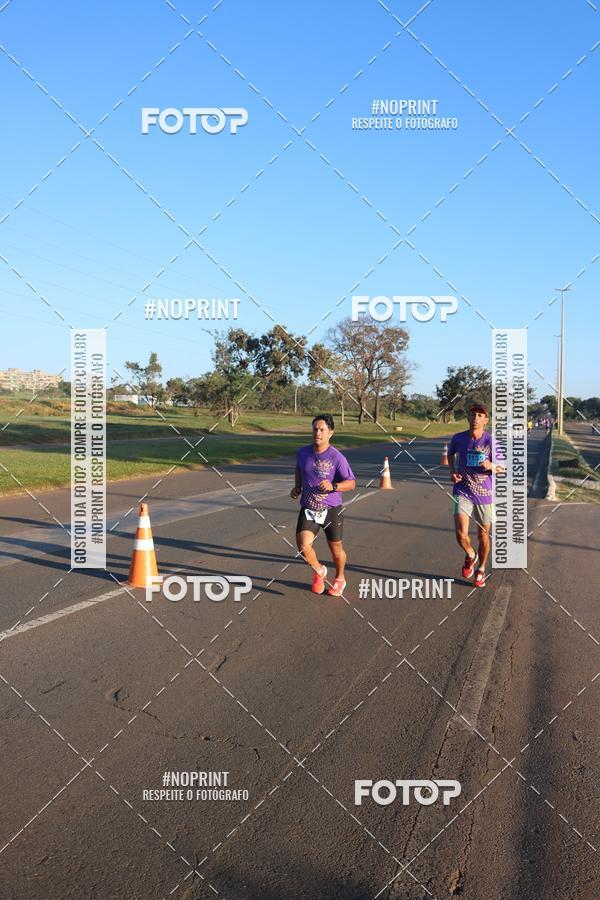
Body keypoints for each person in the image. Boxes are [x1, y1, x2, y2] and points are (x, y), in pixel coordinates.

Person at [291, 414, 356, 596]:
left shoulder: (337, 458)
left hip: (331, 510)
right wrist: (297, 487)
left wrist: (333, 486)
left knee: (336, 550)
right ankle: (320, 570)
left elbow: (351, 483)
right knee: (303, 546)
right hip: (309, 508)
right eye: (315, 429)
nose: (317, 433)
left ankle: (340, 578)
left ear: (330, 433)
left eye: (322, 430)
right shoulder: (303, 452)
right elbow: (299, 468)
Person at [448, 403, 504, 588]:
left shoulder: (490, 441)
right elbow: (451, 454)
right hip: (462, 490)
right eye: (473, 414)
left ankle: (480, 570)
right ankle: (471, 555)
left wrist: (492, 466)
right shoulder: (458, 438)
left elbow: (503, 469)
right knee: (461, 534)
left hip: (485, 494)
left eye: (480, 415)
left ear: (486, 420)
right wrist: (452, 471)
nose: (476, 418)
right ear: (468, 418)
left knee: (483, 536)